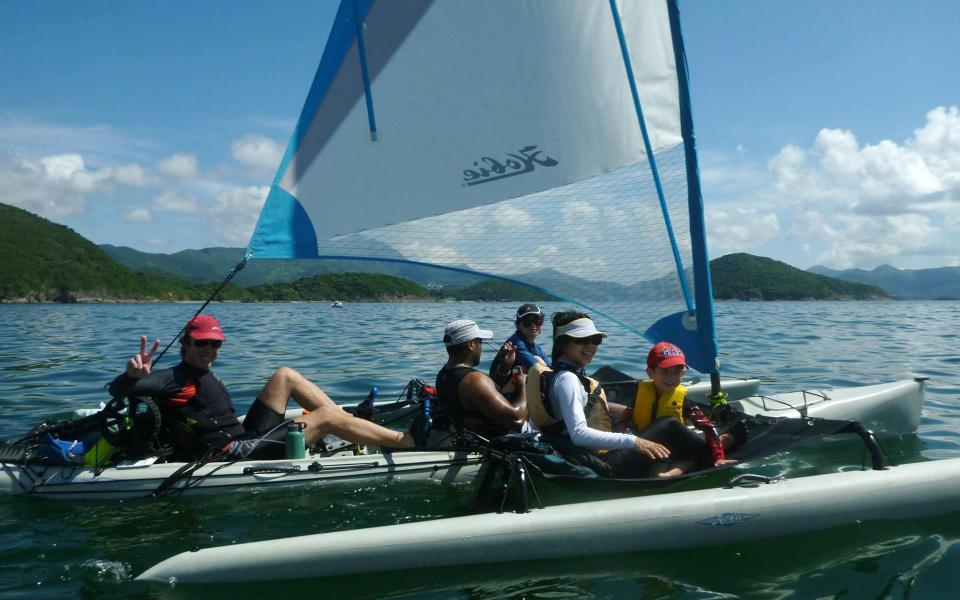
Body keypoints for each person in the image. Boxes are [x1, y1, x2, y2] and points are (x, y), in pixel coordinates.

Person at [108, 314, 414, 461]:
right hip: (229, 453)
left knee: (285, 375)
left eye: (216, 344)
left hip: (245, 435)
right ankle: (406, 442)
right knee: (327, 419)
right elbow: (118, 391)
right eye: (202, 344)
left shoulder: (201, 371)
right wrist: (132, 375)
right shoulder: (171, 378)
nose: (210, 350)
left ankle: (349, 423)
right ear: (186, 343)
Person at [524, 311, 727, 478]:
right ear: (563, 344)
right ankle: (714, 456)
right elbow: (579, 435)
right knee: (668, 425)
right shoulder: (568, 379)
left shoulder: (563, 375)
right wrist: (634, 442)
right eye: (582, 340)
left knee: (658, 427)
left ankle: (688, 458)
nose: (591, 346)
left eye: (595, 340)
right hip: (605, 465)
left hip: (595, 456)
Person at [625, 341, 739, 460]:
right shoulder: (639, 393)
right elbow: (624, 420)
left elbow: (707, 427)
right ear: (650, 373)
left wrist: (718, 457)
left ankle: (728, 439)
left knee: (681, 464)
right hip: (644, 446)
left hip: (672, 452)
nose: (671, 378)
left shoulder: (683, 401)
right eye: (665, 372)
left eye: (677, 372)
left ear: (683, 373)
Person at [435, 319, 527, 440]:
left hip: (468, 436)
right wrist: (523, 385)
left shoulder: (444, 374)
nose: (481, 347)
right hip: (491, 442)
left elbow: (484, 395)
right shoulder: (474, 380)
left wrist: (504, 368)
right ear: (471, 344)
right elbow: (517, 420)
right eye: (480, 342)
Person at [490, 304, 550, 385]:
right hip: (500, 388)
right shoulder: (516, 343)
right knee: (536, 361)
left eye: (537, 321)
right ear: (518, 325)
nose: (533, 325)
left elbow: (550, 367)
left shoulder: (536, 348)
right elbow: (536, 367)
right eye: (527, 322)